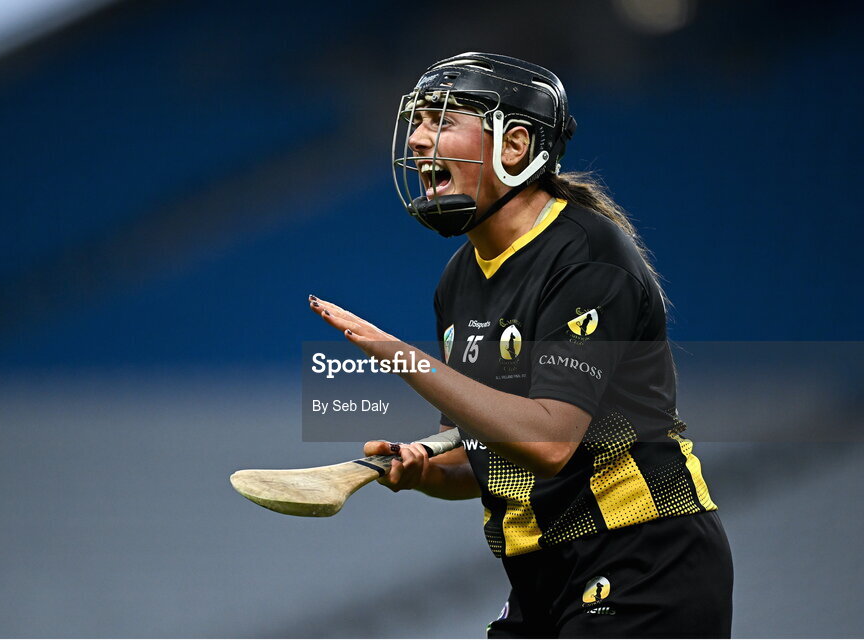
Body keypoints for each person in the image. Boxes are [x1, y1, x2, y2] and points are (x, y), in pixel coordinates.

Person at [308, 52, 733, 638]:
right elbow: (490, 448)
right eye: (418, 120)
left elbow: (551, 438)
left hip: (643, 558)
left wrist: (397, 354)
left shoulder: (586, 256)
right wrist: (427, 471)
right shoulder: (458, 279)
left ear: (514, 145)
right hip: (541, 574)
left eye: (442, 120)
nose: (418, 138)